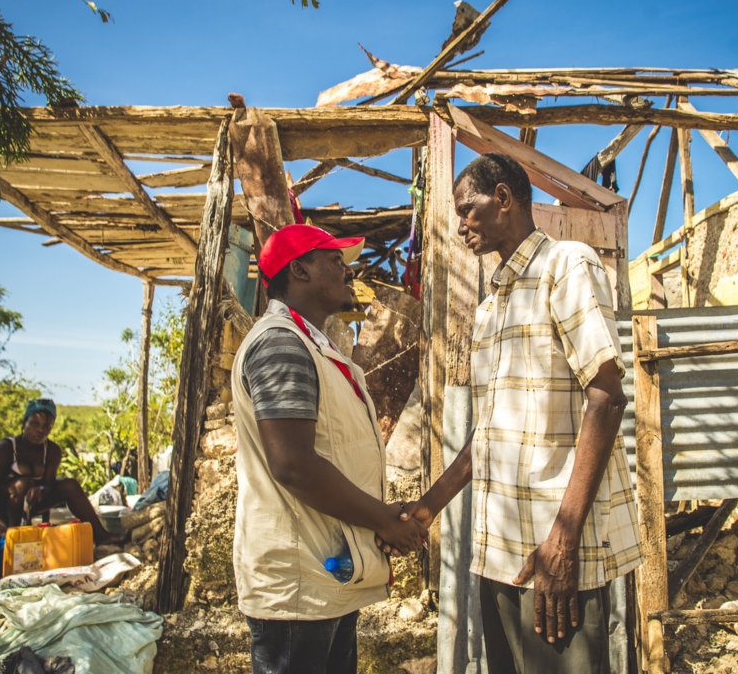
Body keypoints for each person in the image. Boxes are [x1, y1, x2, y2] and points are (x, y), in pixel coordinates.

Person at [397, 153, 642, 673]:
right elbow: (487, 435)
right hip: (499, 555)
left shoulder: (566, 266)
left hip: (552, 556)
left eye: (468, 210)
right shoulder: (491, 307)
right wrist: (429, 505)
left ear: (503, 199)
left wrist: (563, 538)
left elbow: (607, 396)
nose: (461, 226)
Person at [231, 223, 427, 674]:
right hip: (298, 588)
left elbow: (332, 452)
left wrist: (381, 513)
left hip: (323, 576)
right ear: (298, 270)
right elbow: (294, 465)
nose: (346, 267)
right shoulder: (281, 343)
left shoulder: (313, 344)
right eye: (333, 259)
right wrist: (382, 520)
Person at [0, 398, 124, 544]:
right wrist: (0, 527)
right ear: (24, 423)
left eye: (47, 426)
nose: (40, 430)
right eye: (35, 424)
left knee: (70, 485)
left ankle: (101, 535)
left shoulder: (52, 451)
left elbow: (49, 484)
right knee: (22, 484)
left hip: (32, 503)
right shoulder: (4, 449)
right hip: (4, 505)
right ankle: (14, 538)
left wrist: (41, 489)